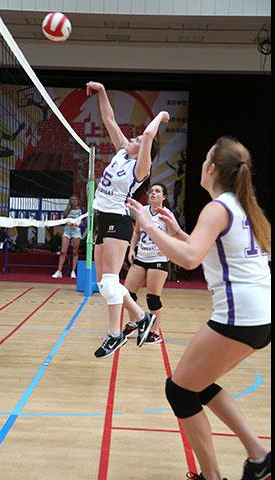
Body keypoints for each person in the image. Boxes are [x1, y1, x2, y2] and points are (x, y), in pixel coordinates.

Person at [125, 136, 272, 480]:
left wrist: (148, 225)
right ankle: (259, 457)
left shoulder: (218, 207)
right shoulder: (241, 206)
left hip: (239, 317)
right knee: (197, 384)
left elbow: (189, 258)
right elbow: (200, 248)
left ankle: (212, 476)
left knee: (179, 391)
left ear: (211, 169)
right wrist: (176, 231)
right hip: (259, 316)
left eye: (205, 159)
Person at [85, 80, 167, 358]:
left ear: (145, 150)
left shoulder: (140, 168)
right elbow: (108, 118)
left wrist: (160, 117)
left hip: (117, 220)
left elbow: (147, 135)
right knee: (103, 284)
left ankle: (115, 334)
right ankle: (142, 318)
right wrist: (103, 91)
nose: (131, 140)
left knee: (109, 281)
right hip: (101, 217)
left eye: (137, 141)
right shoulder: (122, 152)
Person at [121, 183, 172, 345]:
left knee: (153, 298)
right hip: (141, 257)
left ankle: (155, 332)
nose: (153, 193)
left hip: (158, 260)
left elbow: (174, 236)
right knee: (127, 294)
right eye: (152, 191)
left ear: (164, 197)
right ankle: (135, 323)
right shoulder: (142, 211)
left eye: (158, 191)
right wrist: (131, 248)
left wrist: (167, 251)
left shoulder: (167, 214)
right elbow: (136, 231)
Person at [51, 195, 84, 279]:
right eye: (72, 199)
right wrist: (67, 223)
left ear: (78, 201)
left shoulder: (82, 210)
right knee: (63, 251)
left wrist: (78, 224)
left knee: (75, 251)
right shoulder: (67, 210)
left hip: (76, 230)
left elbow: (85, 223)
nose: (73, 201)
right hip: (67, 230)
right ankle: (59, 271)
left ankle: (73, 271)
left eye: (75, 199)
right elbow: (64, 220)